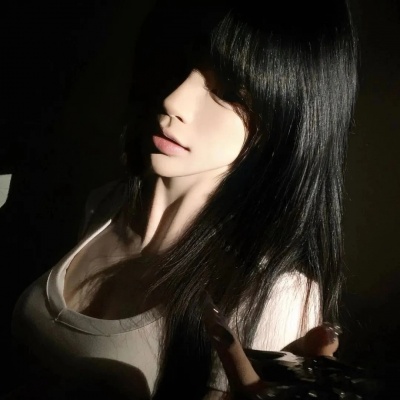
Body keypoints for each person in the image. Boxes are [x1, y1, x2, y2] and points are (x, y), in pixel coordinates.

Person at [9, 0, 358, 399]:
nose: (173, 100)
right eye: (182, 63)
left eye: (230, 91)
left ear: (288, 116)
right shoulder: (104, 205)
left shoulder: (273, 293)